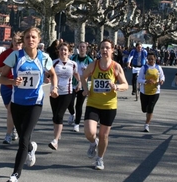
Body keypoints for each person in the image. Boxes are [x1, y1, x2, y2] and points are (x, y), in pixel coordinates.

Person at [0, 27, 58, 182]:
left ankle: (14, 176)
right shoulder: (15, 56)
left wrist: (54, 88)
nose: (30, 40)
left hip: (35, 102)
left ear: (38, 40)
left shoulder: (44, 57)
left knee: (23, 138)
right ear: (23, 40)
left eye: (33, 37)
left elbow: (53, 74)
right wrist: (12, 82)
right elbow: (1, 78)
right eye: (27, 37)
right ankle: (32, 148)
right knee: (24, 138)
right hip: (17, 103)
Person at [81, 39, 128, 170]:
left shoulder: (116, 67)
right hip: (93, 103)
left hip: (109, 105)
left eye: (107, 48)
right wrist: (85, 89)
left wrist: (116, 86)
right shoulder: (94, 64)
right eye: (102, 48)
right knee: (89, 132)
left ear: (112, 50)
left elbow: (126, 85)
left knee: (103, 135)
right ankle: (92, 142)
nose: (104, 50)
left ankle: (100, 159)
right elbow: (83, 77)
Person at [48, 42, 81, 150]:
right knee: (55, 116)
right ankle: (57, 133)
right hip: (54, 92)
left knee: (59, 115)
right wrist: (45, 79)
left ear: (69, 52)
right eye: (61, 50)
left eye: (65, 50)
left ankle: (55, 140)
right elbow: (47, 73)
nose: (63, 52)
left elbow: (76, 74)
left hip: (67, 92)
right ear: (58, 51)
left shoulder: (73, 64)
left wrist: (79, 83)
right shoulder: (54, 63)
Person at [0, 32, 23, 144]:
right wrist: (7, 67)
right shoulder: (6, 54)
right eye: (15, 42)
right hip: (6, 86)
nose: (17, 45)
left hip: (19, 87)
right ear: (12, 42)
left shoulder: (25, 55)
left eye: (19, 43)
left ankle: (8, 135)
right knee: (11, 111)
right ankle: (14, 128)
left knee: (11, 111)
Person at [67, 41, 94, 132]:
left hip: (83, 86)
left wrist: (88, 71)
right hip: (72, 84)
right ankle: (72, 114)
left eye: (84, 47)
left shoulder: (90, 61)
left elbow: (93, 73)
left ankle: (77, 124)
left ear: (86, 49)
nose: (82, 48)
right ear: (78, 48)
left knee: (79, 105)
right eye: (80, 47)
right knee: (69, 103)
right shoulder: (73, 58)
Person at [137, 52, 165, 132]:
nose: (150, 60)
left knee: (150, 108)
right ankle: (147, 114)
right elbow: (139, 79)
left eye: (152, 59)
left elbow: (162, 76)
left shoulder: (158, 67)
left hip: (155, 92)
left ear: (155, 59)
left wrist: (161, 80)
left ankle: (147, 125)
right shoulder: (144, 68)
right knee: (144, 109)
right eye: (149, 59)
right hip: (144, 91)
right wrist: (146, 81)